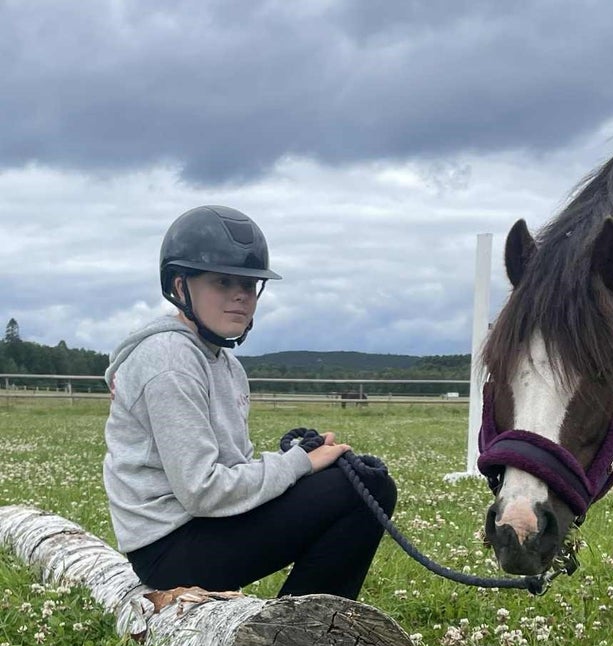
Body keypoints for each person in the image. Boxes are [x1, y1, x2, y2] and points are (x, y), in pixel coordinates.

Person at [103, 204, 396, 600]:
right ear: (179, 285)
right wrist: (298, 464)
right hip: (170, 548)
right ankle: (302, 630)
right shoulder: (169, 360)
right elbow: (202, 489)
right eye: (223, 282)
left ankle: (303, 621)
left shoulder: (226, 364)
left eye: (249, 284)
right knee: (365, 488)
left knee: (365, 482)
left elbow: (232, 469)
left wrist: (304, 465)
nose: (241, 296)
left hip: (203, 527)